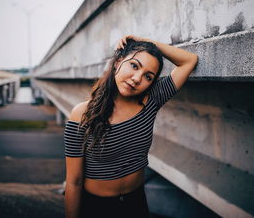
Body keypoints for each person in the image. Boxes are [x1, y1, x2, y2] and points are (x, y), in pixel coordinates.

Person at [64, 35, 198, 218]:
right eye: (134, 65)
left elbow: (189, 61)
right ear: (118, 61)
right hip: (97, 207)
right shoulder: (81, 114)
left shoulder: (152, 100)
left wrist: (146, 41)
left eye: (148, 77)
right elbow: (74, 182)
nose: (137, 79)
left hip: (136, 203)